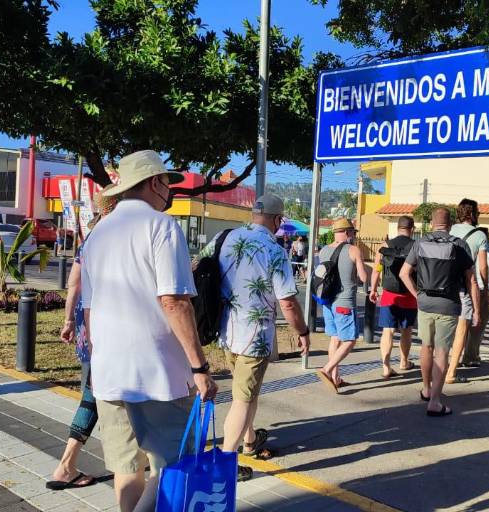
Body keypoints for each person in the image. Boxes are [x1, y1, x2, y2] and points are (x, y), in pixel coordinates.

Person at [81, 150, 218, 512]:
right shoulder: (161, 226)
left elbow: (88, 309)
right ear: (155, 182)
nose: (169, 191)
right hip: (157, 372)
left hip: (110, 370)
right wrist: (200, 368)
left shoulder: (98, 233)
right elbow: (174, 302)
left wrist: (96, 361)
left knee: (127, 467)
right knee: (172, 467)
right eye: (167, 183)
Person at [199, 194, 310, 481]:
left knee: (246, 391)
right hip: (255, 337)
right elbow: (287, 302)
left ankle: (249, 441)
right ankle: (226, 461)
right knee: (243, 399)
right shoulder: (275, 251)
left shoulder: (224, 237)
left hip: (224, 330)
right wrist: (303, 332)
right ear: (276, 219)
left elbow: (196, 267)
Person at [46, 186, 119, 491]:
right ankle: (66, 465)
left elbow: (73, 284)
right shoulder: (116, 236)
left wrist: (68, 321)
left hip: (88, 330)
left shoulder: (92, 238)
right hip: (108, 330)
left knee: (95, 393)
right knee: (93, 396)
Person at [399, 208, 479, 416]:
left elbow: (404, 273)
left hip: (425, 303)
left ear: (432, 223)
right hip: (448, 304)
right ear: (450, 224)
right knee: (442, 351)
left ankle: (426, 389)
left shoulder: (420, 243)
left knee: (426, 347)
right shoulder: (459, 245)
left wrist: (417, 295)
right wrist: (476, 309)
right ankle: (435, 401)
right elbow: (471, 280)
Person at [445, 226, 489, 384]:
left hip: (461, 290)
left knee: (459, 327)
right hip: (479, 291)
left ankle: (453, 359)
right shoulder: (488, 255)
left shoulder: (465, 249)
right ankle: (471, 357)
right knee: (477, 327)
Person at [315, 218, 368, 392]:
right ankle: (327, 369)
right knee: (350, 340)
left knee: (335, 338)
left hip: (327, 301)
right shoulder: (353, 250)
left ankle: (335, 378)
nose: (353, 235)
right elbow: (363, 278)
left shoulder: (323, 251)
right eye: (352, 232)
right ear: (346, 232)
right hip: (344, 302)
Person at [369, 216, 417, 379]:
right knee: (406, 331)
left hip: (389, 294)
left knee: (387, 331)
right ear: (412, 229)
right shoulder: (416, 246)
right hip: (409, 294)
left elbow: (376, 270)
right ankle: (404, 361)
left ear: (398, 228)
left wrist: (373, 289)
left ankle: (386, 367)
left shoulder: (385, 246)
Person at [449, 198, 489, 369]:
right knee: (463, 325)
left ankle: (444, 358)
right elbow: (483, 266)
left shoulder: (449, 230)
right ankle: (454, 364)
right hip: (466, 285)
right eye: (477, 212)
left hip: (446, 284)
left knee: (448, 325)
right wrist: (485, 288)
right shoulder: (480, 235)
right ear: (472, 214)